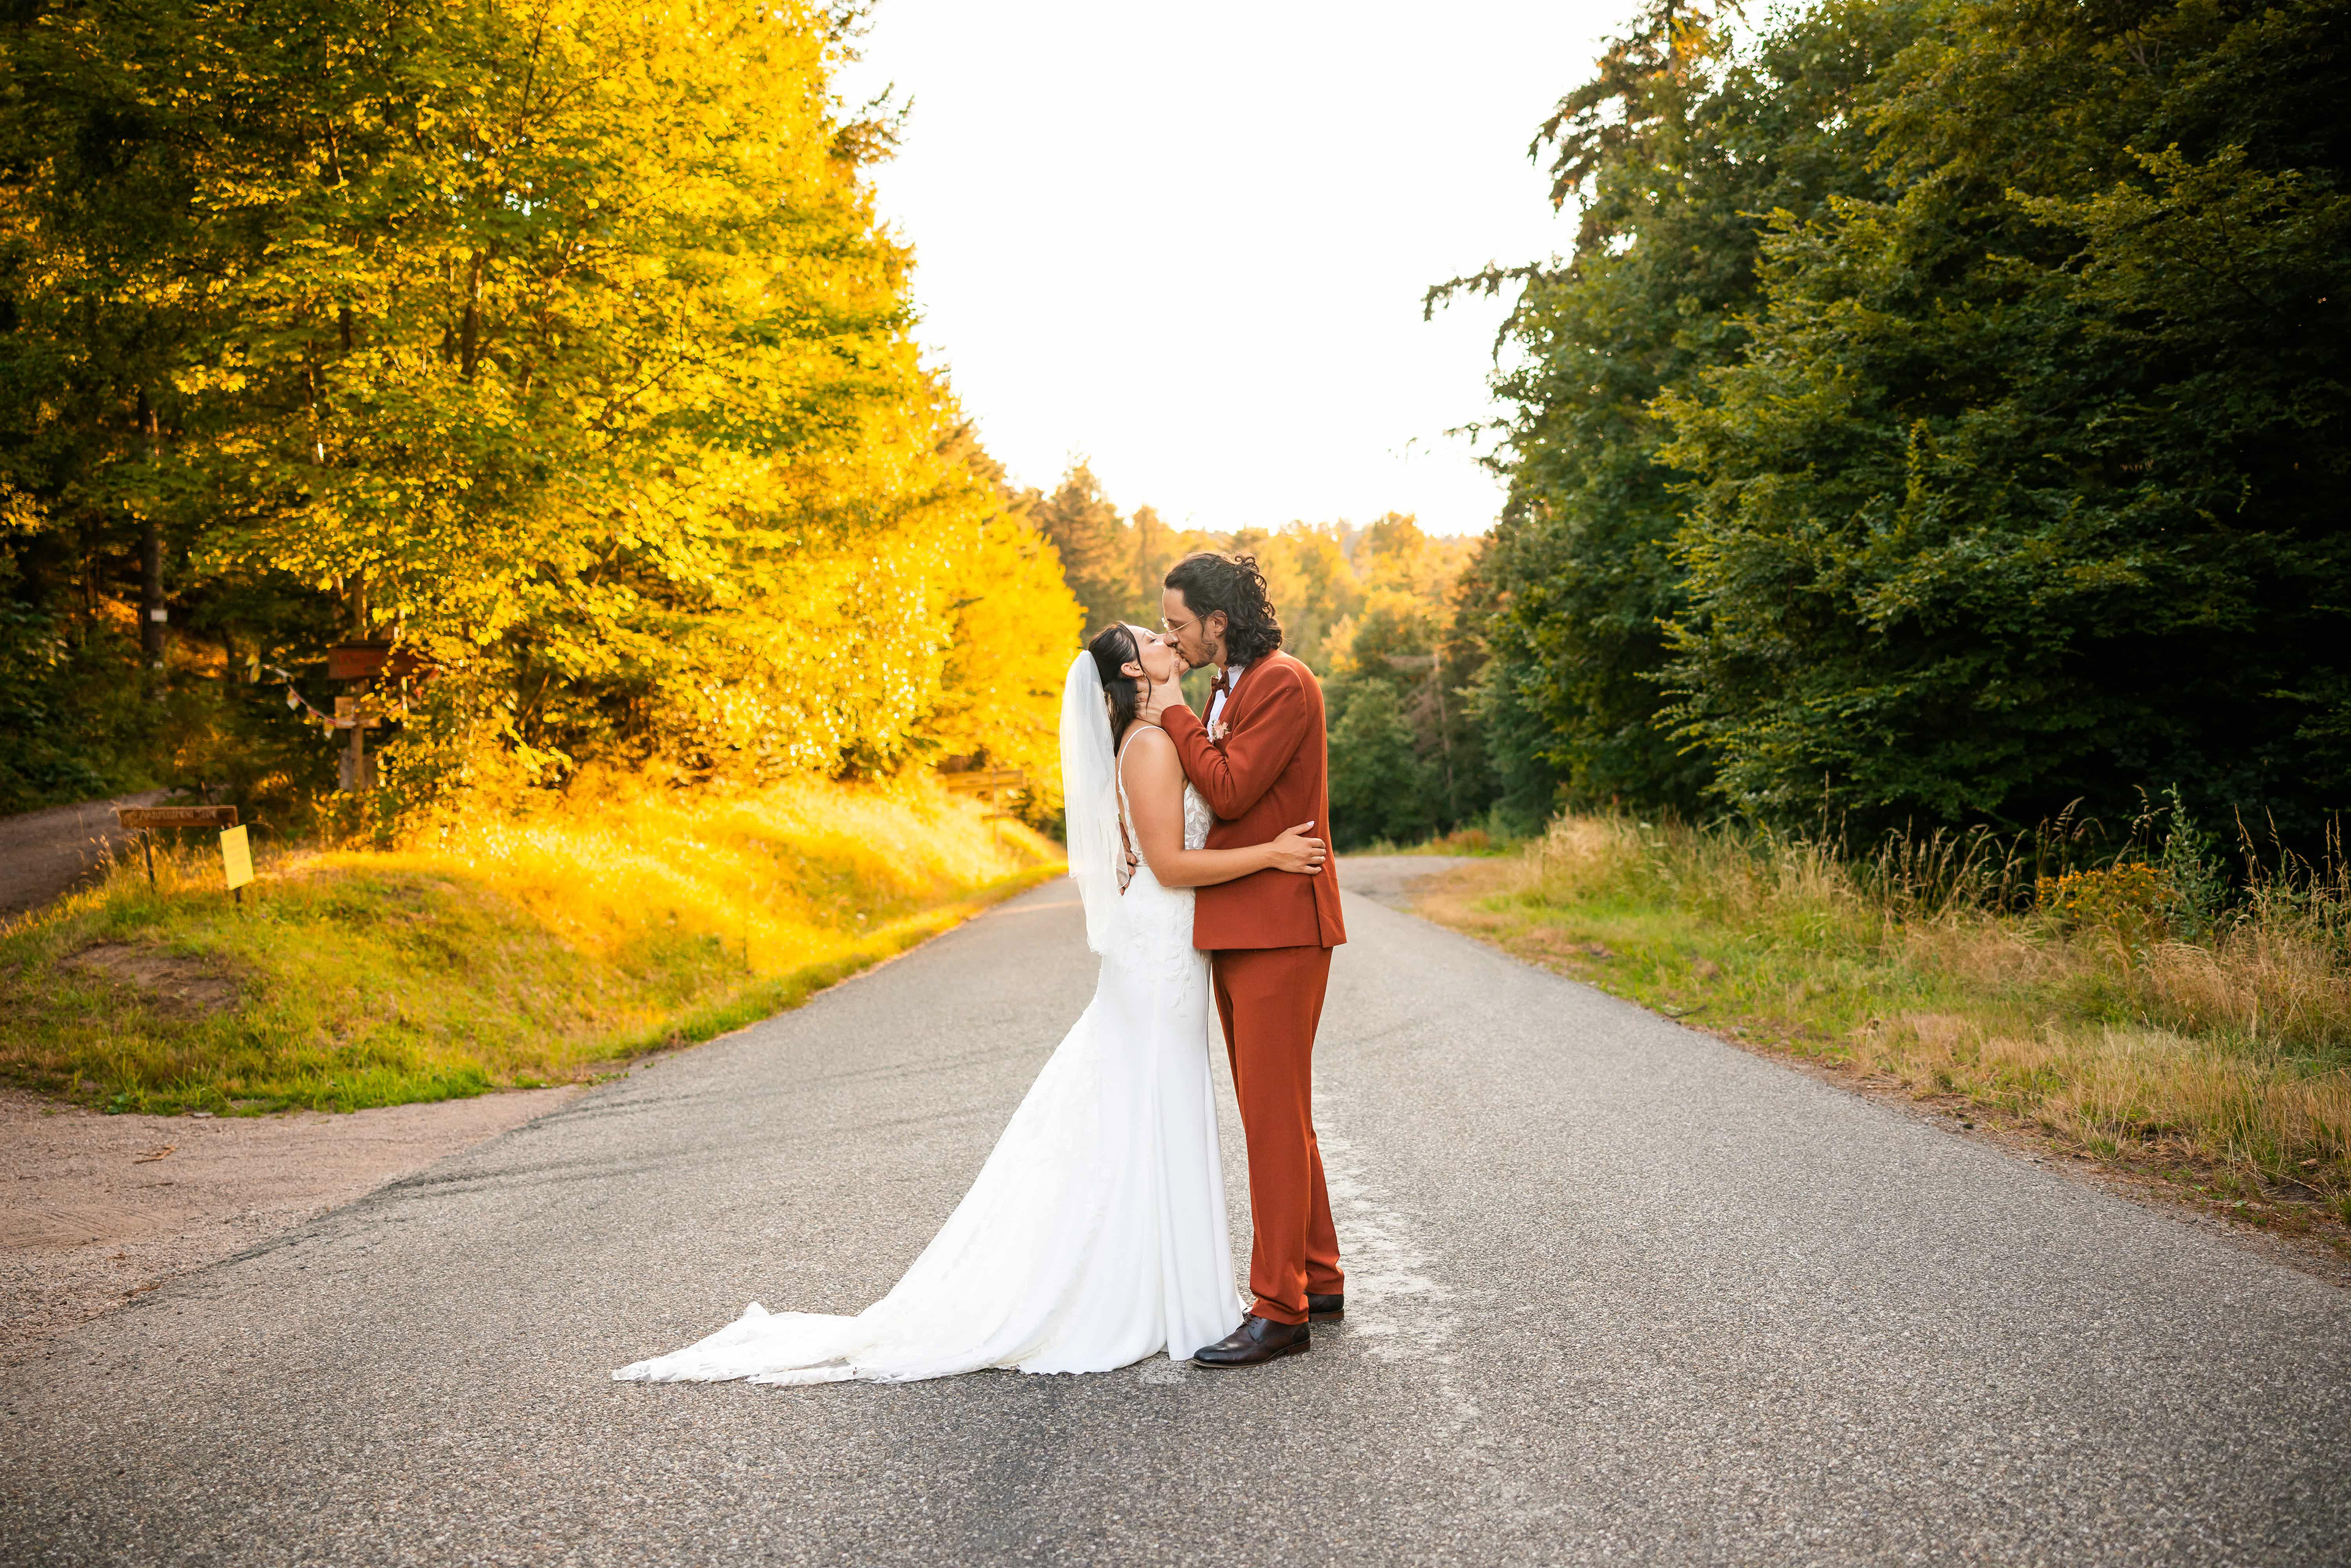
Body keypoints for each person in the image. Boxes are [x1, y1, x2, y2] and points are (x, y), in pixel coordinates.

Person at [611, 625, 1327, 1386]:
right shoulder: (1150, 744)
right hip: (1159, 949)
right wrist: (1272, 854)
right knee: (1153, 1101)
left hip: (1169, 945)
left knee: (1154, 1106)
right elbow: (1173, 864)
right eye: (1152, 636)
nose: (1165, 636)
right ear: (1130, 667)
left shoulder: (1159, 735)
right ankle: (1141, 1291)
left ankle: (1163, 1283)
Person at [1139, 551, 1348, 1368]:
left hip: (1281, 928)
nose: (1171, 639)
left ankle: (1279, 1307)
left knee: (1270, 1119)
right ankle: (1318, 1275)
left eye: (1179, 625)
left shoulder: (1282, 682)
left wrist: (1170, 713)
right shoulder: (1231, 685)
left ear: (1219, 622)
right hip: (1239, 924)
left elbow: (1228, 790)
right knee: (1280, 1112)